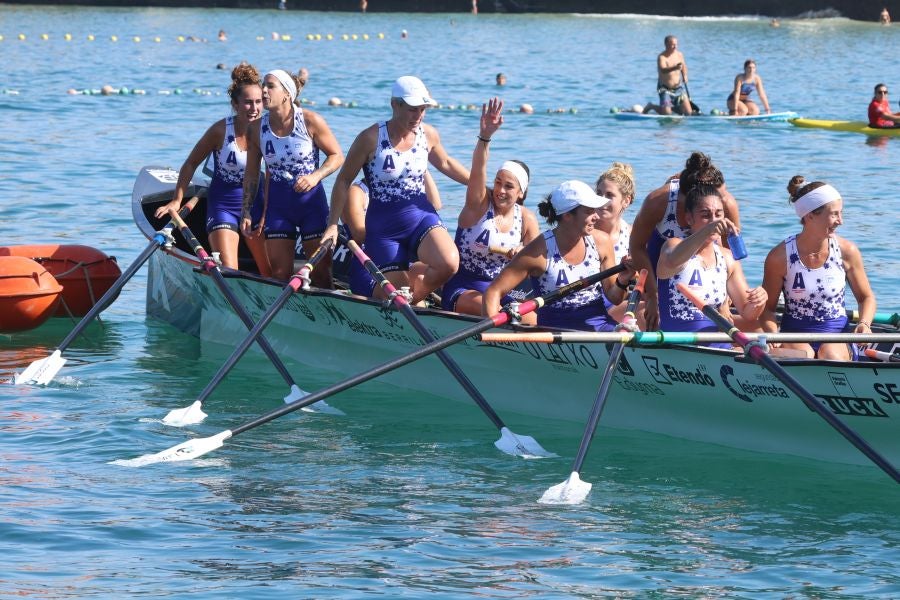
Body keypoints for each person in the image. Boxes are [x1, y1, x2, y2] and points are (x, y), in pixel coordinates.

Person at [321, 75, 470, 303]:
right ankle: (408, 303)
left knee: (449, 263)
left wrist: (481, 186)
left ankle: (416, 296)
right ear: (394, 104)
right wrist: (332, 225)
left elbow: (447, 163)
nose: (418, 116)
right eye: (412, 109)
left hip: (420, 216)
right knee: (396, 296)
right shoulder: (369, 138)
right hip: (384, 229)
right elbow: (343, 181)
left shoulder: (428, 134)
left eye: (422, 109)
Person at [154, 62, 271, 276]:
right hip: (223, 205)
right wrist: (177, 200)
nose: (254, 109)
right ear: (235, 104)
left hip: (256, 206)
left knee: (269, 273)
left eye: (258, 102)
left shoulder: (270, 129)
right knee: (228, 271)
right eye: (247, 103)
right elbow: (190, 163)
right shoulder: (220, 130)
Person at [483, 180, 636, 331]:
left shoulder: (601, 242)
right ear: (568, 215)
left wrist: (622, 280)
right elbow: (493, 292)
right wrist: (493, 337)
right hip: (554, 333)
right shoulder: (538, 251)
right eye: (589, 211)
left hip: (597, 325)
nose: (596, 216)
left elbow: (615, 298)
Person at [241, 68, 344, 287]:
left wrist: (315, 176)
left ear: (287, 94)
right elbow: (251, 173)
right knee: (279, 274)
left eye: (270, 86)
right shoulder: (257, 128)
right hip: (279, 208)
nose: (264, 91)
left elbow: (337, 156)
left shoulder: (310, 120)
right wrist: (247, 209)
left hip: (311, 205)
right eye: (264, 85)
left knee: (322, 275)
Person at [441, 98, 540, 317]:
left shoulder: (526, 218)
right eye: (497, 182)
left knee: (533, 318)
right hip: (464, 288)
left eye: (508, 186)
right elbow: (478, 170)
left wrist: (523, 254)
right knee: (494, 310)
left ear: (521, 192)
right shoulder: (479, 203)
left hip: (503, 292)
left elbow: (538, 264)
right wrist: (485, 137)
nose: (500, 190)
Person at [760, 177, 875, 360]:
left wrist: (865, 324)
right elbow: (767, 309)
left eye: (841, 213)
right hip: (794, 336)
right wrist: (772, 334)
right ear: (810, 215)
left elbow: (865, 297)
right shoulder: (779, 257)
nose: (841, 221)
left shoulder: (847, 252)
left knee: (830, 355)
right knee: (803, 355)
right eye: (834, 214)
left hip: (836, 336)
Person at [629, 151, 741, 331]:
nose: (722, 200)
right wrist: (652, 295)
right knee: (650, 318)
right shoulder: (658, 201)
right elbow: (636, 247)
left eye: (721, 197)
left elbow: (733, 256)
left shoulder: (726, 202)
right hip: (662, 259)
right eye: (714, 195)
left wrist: (725, 301)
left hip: (705, 266)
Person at [656, 184, 767, 347]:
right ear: (689, 219)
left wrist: (759, 300)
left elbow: (748, 312)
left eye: (718, 214)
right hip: (678, 346)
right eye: (706, 215)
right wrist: (707, 231)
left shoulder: (727, 258)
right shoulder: (673, 246)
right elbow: (670, 262)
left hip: (718, 345)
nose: (714, 221)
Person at [595, 162, 637, 322]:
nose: (602, 200)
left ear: (626, 201)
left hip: (620, 300)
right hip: (595, 304)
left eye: (609, 195)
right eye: (599, 194)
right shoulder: (584, 232)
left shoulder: (633, 235)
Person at [643, 35, 692, 116]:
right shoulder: (661, 57)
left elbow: (683, 66)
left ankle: (673, 108)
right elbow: (663, 70)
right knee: (667, 114)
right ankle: (651, 106)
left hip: (678, 88)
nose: (675, 46)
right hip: (664, 89)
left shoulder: (679, 54)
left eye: (676, 44)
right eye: (673, 44)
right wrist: (675, 67)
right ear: (666, 44)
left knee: (689, 113)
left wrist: (685, 75)